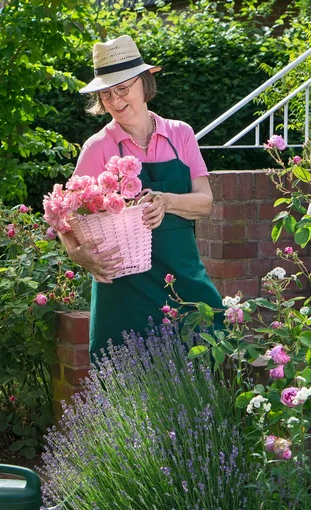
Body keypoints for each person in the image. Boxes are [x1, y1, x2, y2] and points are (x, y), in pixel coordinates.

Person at [59, 35, 224, 357]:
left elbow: (204, 202)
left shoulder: (181, 134)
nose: (115, 99)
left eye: (122, 88)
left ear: (144, 84)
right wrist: (75, 253)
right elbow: (65, 214)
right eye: (105, 93)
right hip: (124, 287)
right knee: (123, 371)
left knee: (211, 343)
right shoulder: (98, 147)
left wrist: (167, 200)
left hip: (183, 276)